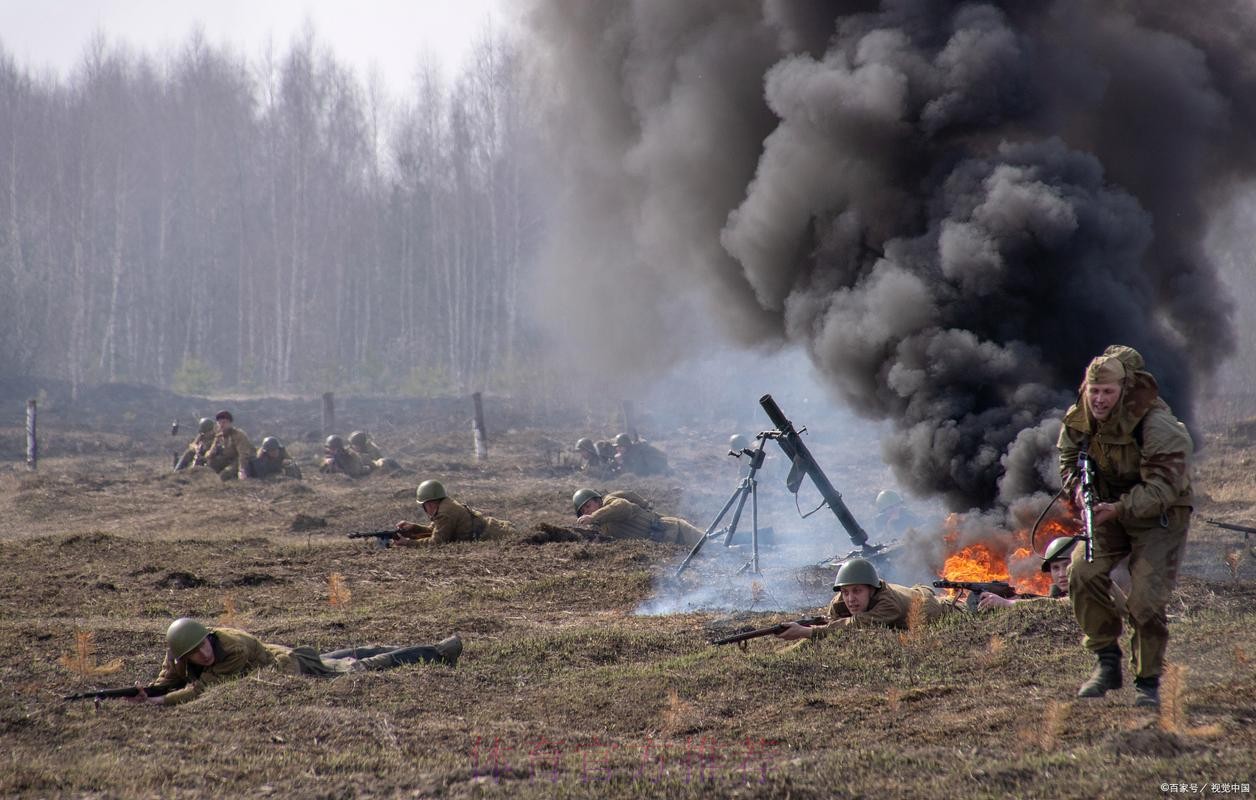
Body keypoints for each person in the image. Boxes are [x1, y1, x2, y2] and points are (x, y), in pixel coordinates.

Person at [1057, 345, 1192, 708]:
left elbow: (1164, 488)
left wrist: (1117, 509)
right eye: (1093, 391)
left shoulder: (1156, 425)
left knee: (1146, 600)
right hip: (1105, 509)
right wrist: (1079, 491)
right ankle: (1107, 661)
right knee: (1081, 573)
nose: (1098, 400)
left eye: (1107, 392)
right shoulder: (1080, 418)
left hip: (1159, 515)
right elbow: (1068, 458)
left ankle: (1148, 681)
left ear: (1124, 390)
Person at [117, 618, 461, 706]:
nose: (202, 655)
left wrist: (160, 702)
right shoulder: (181, 648)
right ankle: (427, 647)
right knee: (353, 654)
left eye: (203, 647)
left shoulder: (230, 649)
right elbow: (170, 679)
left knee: (362, 666)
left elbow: (204, 688)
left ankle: (439, 652)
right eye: (193, 653)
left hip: (292, 669)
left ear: (209, 637)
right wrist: (149, 691)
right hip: (289, 655)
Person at [776, 557, 959, 641]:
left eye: (857, 591)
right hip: (910, 592)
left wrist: (805, 632)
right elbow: (831, 628)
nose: (850, 598)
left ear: (871, 590)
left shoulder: (888, 605)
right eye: (845, 592)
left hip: (940, 607)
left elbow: (854, 626)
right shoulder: (839, 602)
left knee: (974, 607)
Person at [394, 480, 515, 545]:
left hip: (498, 535)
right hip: (497, 529)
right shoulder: (444, 504)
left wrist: (408, 543)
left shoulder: (444, 514)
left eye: (423, 505)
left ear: (429, 504)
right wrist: (414, 528)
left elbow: (437, 542)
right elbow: (437, 530)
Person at [572, 488, 704, 546]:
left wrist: (593, 516)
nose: (587, 512)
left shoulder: (609, 502)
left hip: (676, 530)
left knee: (714, 548)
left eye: (588, 506)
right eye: (583, 512)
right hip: (667, 544)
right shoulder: (602, 523)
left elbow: (622, 506)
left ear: (597, 501)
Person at [205, 410, 254, 480]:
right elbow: (210, 453)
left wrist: (241, 470)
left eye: (224, 422)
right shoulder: (219, 437)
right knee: (209, 467)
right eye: (219, 423)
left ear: (229, 423)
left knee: (224, 475)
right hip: (227, 460)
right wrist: (210, 454)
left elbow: (243, 455)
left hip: (238, 461)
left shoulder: (238, 435)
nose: (221, 425)